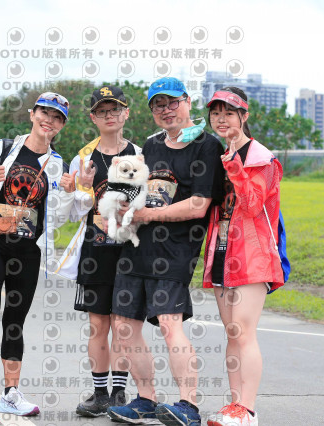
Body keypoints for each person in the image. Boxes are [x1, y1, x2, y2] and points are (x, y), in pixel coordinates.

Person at [107, 77, 224, 426]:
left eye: (172, 102)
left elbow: (199, 204)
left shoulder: (207, 146)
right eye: (158, 105)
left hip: (175, 251)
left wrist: (149, 215)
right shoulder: (152, 144)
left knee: (169, 325)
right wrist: (124, 206)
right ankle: (146, 399)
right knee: (124, 325)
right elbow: (141, 189)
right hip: (137, 246)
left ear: (187, 101)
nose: (166, 110)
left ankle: (189, 405)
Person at [0, 92, 75, 425]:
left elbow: (59, 217)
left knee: (15, 321)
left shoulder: (58, 165)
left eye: (57, 117)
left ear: (62, 125)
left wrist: (69, 193)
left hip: (27, 251)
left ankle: (10, 395)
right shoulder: (3, 148)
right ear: (32, 114)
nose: (49, 121)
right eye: (45, 113)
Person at [56, 85, 141, 417]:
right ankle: (100, 393)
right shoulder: (83, 158)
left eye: (115, 109)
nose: (109, 116)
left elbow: (149, 201)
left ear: (126, 113)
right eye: (102, 111)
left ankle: (119, 394)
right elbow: (73, 213)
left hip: (129, 248)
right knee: (98, 324)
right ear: (93, 117)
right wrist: (81, 189)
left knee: (123, 323)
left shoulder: (139, 153)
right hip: (96, 248)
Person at [202, 87, 284, 426]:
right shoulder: (220, 154)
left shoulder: (262, 158)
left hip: (253, 255)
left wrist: (234, 164)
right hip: (223, 251)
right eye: (216, 113)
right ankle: (234, 405)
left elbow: (251, 204)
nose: (221, 119)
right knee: (232, 332)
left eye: (229, 113)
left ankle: (247, 409)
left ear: (244, 116)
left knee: (244, 331)